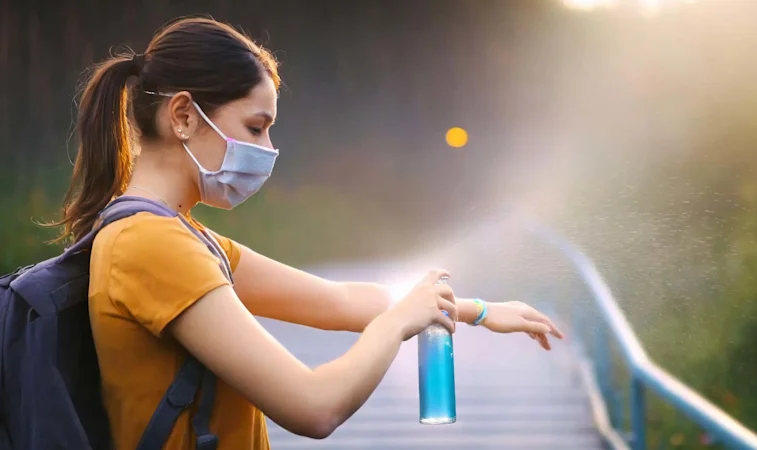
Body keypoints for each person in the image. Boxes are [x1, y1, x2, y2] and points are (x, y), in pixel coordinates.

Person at [50, 16, 564, 450]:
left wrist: (475, 310)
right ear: (184, 115)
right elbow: (313, 407)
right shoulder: (152, 244)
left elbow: (337, 300)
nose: (268, 148)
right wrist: (397, 325)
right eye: (256, 128)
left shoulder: (175, 235)